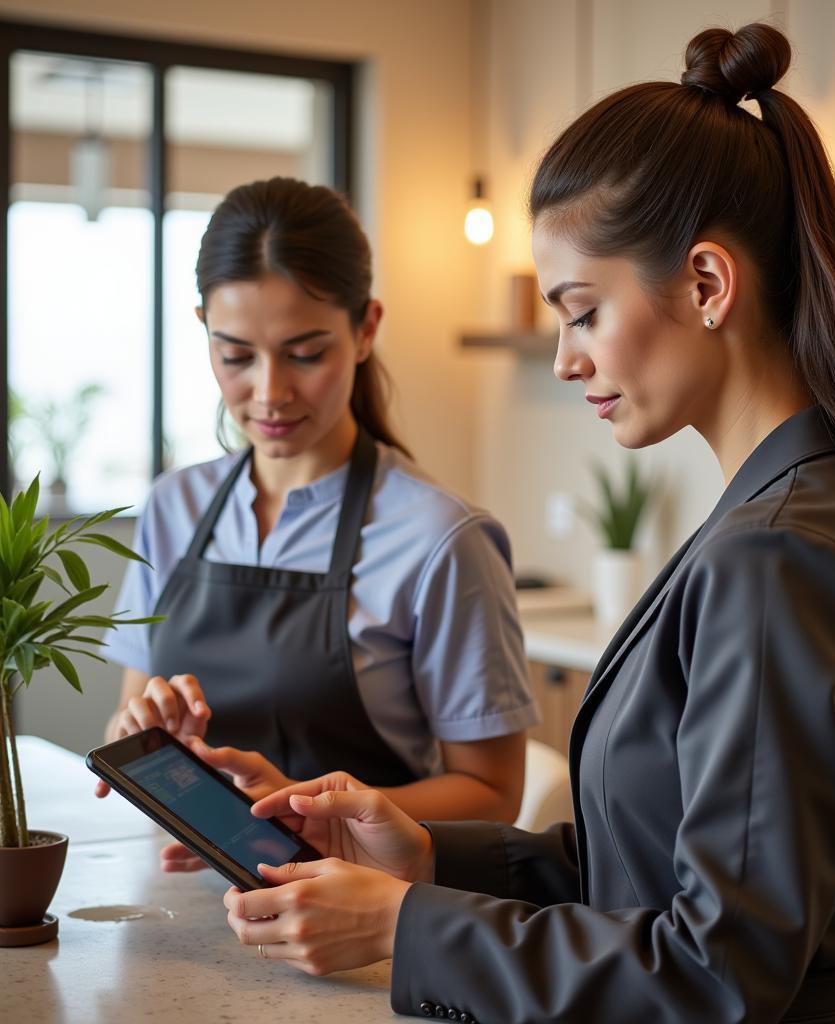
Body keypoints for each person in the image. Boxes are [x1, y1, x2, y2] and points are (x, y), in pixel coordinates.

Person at [203, 24, 835, 1023]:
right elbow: (643, 867)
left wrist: (400, 927)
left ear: (708, 285)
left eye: (581, 311)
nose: (566, 359)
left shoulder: (777, 552)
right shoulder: (787, 511)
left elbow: (719, 969)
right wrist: (422, 858)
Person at [98, 177, 538, 824]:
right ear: (204, 332)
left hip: (360, 908)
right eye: (236, 355)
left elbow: (493, 796)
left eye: (305, 354)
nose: (270, 392)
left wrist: (307, 811)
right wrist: (140, 732)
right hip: (183, 888)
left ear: (365, 330)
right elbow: (126, 723)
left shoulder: (440, 537)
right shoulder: (173, 508)